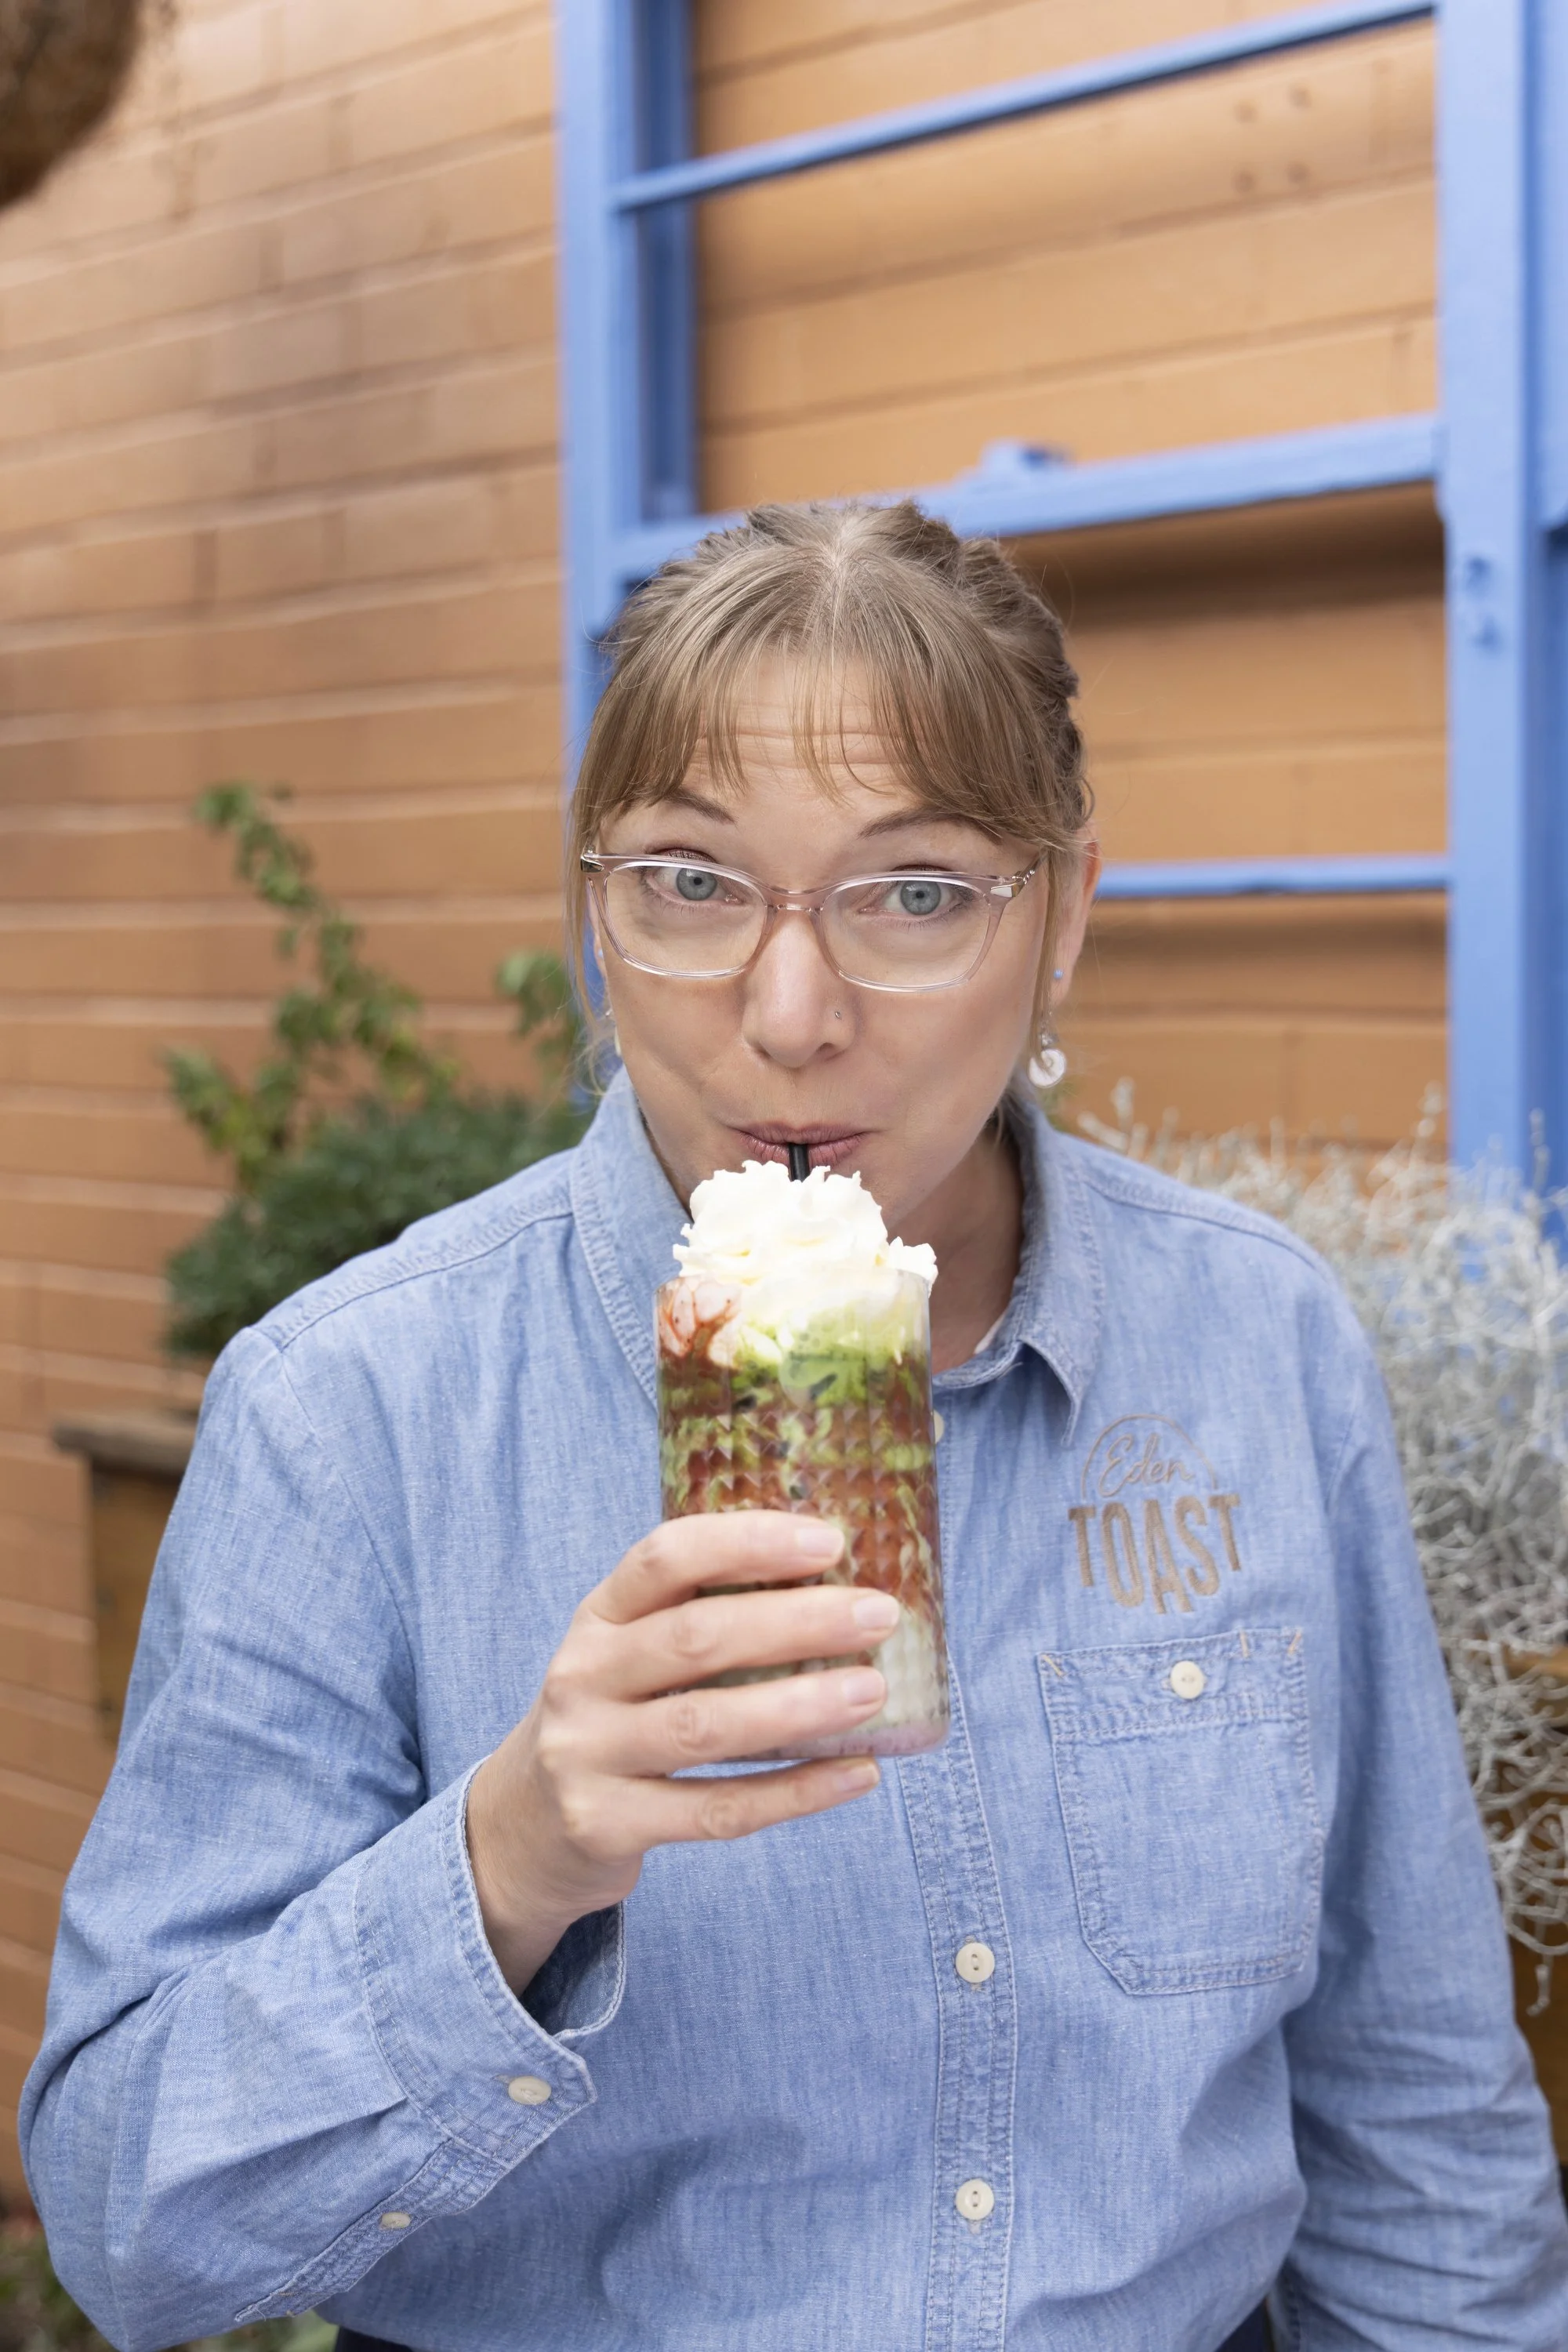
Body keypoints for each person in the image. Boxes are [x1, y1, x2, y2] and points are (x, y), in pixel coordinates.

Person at [22, 503, 1568, 2352]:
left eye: (914, 893)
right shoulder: (354, 1410)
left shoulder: (1255, 1342)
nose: (787, 1015)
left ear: (1064, 915)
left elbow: (1412, 2116)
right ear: (596, 908)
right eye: (688, 881)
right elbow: (127, 2225)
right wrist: (510, 1860)